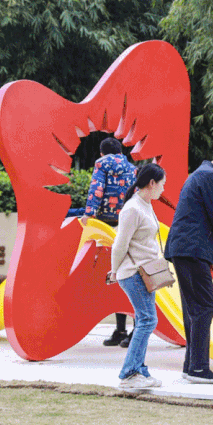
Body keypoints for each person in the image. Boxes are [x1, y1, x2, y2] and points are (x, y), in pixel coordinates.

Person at [165, 147, 213, 383]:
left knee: (194, 308)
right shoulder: (212, 176)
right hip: (192, 249)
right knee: (205, 306)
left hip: (185, 249)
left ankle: (191, 366)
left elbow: (204, 216)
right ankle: (199, 368)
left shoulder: (200, 173)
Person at [107, 163, 167, 390]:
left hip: (143, 271)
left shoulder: (144, 204)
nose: (163, 189)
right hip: (133, 272)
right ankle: (130, 373)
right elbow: (118, 245)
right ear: (151, 183)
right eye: (161, 184)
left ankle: (138, 370)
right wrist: (114, 271)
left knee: (146, 320)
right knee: (148, 320)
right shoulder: (133, 208)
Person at [84, 137, 139, 348]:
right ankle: (134, 330)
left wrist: (89, 214)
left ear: (101, 154)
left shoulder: (101, 164)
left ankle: (120, 329)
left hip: (107, 226)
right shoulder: (132, 167)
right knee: (131, 276)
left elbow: (96, 190)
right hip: (128, 222)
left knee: (113, 276)